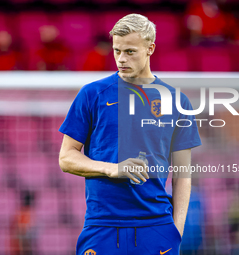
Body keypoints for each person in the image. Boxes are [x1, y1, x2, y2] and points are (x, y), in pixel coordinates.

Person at [59, 14, 201, 255]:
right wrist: (113, 168)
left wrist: (176, 230)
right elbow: (66, 158)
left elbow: (182, 174)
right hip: (101, 226)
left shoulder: (177, 102)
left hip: (156, 227)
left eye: (130, 52)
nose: (121, 59)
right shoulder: (92, 94)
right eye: (117, 51)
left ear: (150, 49)